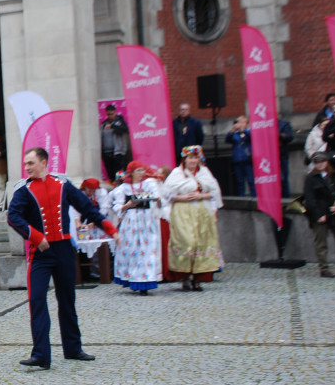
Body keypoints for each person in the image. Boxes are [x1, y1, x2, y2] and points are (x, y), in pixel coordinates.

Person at [7, 147, 119, 370]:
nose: (27, 167)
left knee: (67, 300)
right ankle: (41, 354)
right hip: (40, 253)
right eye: (25, 164)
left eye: (31, 163)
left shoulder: (62, 185)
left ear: (44, 162)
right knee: (37, 301)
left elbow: (87, 208)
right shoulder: (23, 190)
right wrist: (36, 237)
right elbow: (13, 216)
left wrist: (110, 229)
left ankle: (73, 348)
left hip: (64, 250)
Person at [164, 146, 223, 291]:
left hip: (202, 210)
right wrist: (182, 197)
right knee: (186, 241)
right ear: (185, 159)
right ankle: (184, 276)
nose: (193, 161)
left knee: (201, 242)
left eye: (195, 158)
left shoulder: (204, 173)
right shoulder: (177, 174)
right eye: (190, 158)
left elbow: (214, 191)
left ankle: (198, 278)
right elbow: (166, 193)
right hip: (183, 211)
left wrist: (201, 195)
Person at [109, 161, 163, 295]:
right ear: (132, 172)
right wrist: (128, 205)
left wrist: (158, 199)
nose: (141, 173)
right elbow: (116, 207)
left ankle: (146, 282)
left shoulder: (149, 184)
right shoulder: (124, 188)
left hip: (146, 219)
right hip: (131, 221)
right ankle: (134, 279)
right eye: (138, 170)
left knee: (147, 249)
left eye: (142, 170)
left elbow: (157, 197)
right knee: (133, 250)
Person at [303, 151, 335, 278]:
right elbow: (309, 199)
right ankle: (323, 268)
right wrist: (318, 215)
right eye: (317, 162)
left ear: (327, 162)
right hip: (320, 213)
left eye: (322, 161)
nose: (320, 165)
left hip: (334, 212)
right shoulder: (311, 178)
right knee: (321, 242)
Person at [225, 115, 255, 197]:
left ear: (246, 124)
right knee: (239, 181)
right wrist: (232, 131)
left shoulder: (248, 132)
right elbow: (227, 139)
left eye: (242, 122)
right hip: (237, 160)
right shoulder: (235, 134)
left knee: (251, 181)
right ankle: (242, 198)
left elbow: (252, 137)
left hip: (247, 160)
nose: (240, 124)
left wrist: (243, 130)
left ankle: (254, 197)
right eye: (239, 122)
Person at [100, 105, 131, 182]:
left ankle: (121, 185)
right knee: (110, 174)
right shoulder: (103, 124)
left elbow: (126, 129)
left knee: (119, 172)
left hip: (118, 152)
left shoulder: (120, 122)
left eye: (112, 114)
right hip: (107, 152)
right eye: (108, 114)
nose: (110, 116)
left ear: (115, 112)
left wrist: (113, 126)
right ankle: (113, 185)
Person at [278, 118, 295, 196]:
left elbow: (289, 136)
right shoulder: (263, 124)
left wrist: (279, 134)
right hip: (268, 157)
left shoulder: (283, 124)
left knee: (283, 179)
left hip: (282, 155)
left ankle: (285, 199)